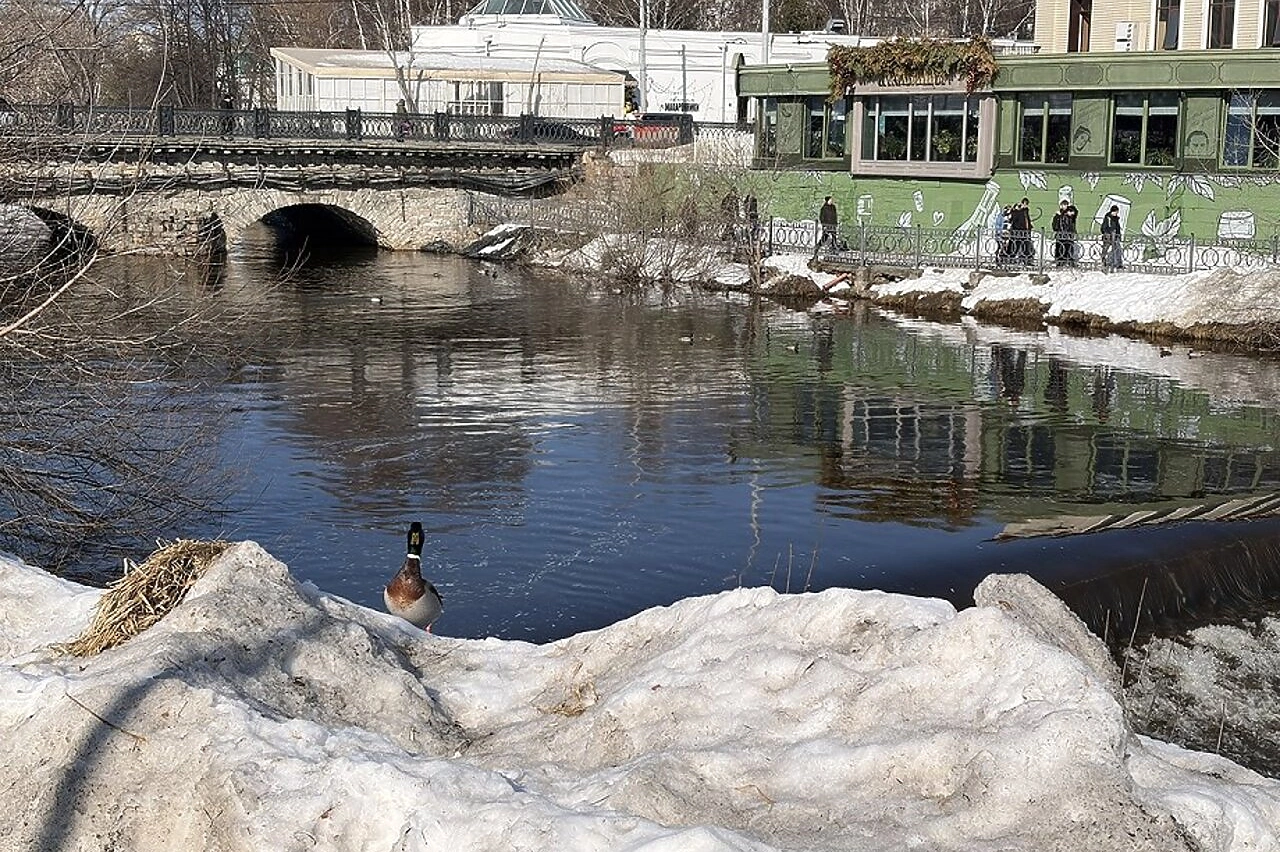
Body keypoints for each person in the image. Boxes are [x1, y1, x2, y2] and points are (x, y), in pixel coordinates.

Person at [1008, 197, 1032, 265]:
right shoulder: (1017, 211)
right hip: (1018, 231)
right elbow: (1013, 219)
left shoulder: (1026, 211)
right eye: (1024, 204)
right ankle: (1011, 259)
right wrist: (1015, 210)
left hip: (1025, 232)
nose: (1025, 205)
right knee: (1016, 246)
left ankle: (1027, 260)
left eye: (1026, 204)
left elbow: (1027, 220)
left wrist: (1029, 228)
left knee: (1026, 246)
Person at [1101, 204, 1124, 270]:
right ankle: (1104, 262)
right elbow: (1104, 227)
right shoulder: (1108, 218)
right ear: (1112, 211)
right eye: (1116, 212)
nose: (1116, 213)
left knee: (1117, 249)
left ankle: (1118, 264)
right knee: (1106, 249)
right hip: (1108, 236)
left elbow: (1117, 227)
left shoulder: (1116, 218)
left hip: (1115, 236)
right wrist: (1107, 233)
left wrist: (1118, 235)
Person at [1052, 200, 1072, 267]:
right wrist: (1058, 216)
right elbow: (1054, 225)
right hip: (1060, 234)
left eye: (1066, 205)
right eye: (1063, 205)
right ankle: (1059, 261)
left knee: (1067, 247)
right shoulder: (1058, 215)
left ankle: (1066, 261)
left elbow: (1070, 224)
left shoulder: (1069, 215)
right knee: (1059, 248)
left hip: (1067, 234)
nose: (1065, 206)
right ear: (1061, 205)